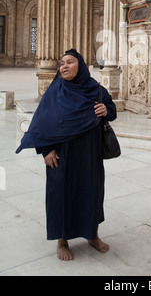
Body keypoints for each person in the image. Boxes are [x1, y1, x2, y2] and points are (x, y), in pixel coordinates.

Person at [16, 49, 117, 261]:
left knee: (91, 192)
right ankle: (62, 240)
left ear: (80, 65)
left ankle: (92, 235)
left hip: (89, 155)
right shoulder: (55, 92)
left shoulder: (95, 90)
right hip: (61, 155)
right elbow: (41, 123)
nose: (64, 66)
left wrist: (106, 111)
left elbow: (112, 109)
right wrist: (46, 150)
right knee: (61, 194)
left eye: (69, 62)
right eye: (62, 63)